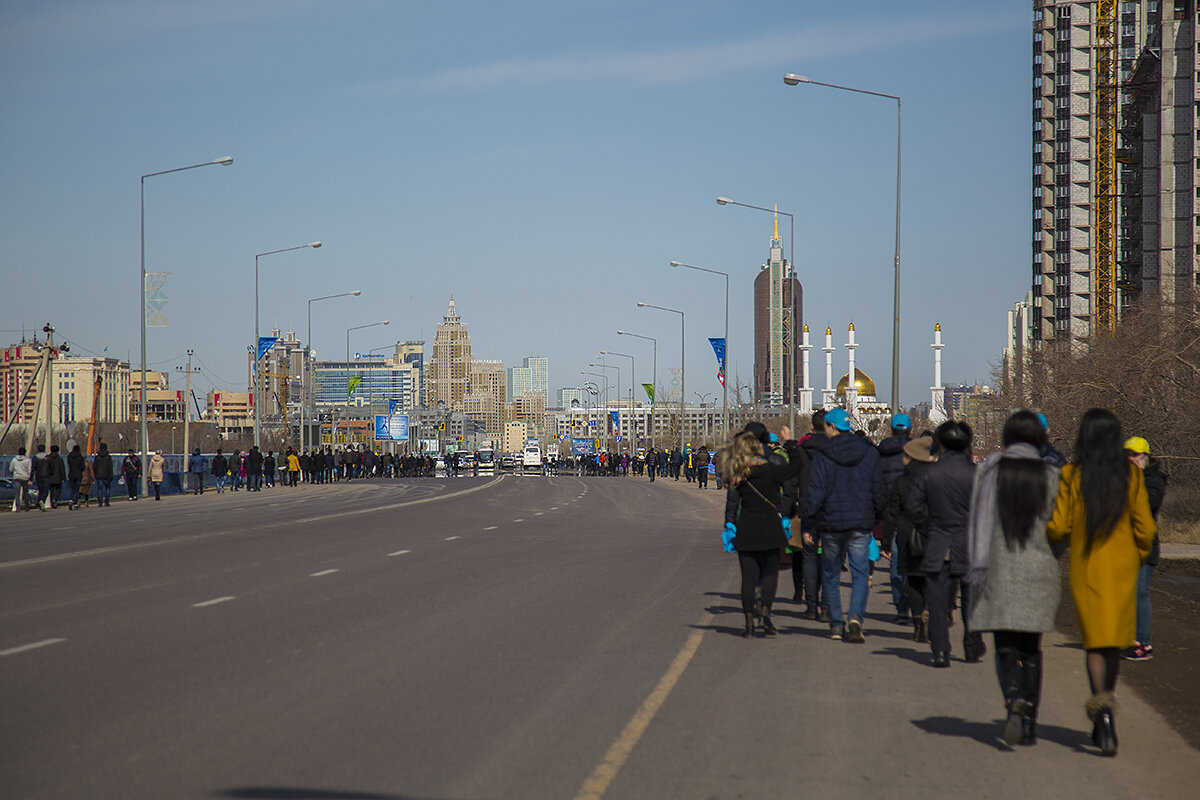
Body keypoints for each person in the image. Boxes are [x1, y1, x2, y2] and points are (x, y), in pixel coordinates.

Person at [1047, 408, 1156, 757]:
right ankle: (1107, 707)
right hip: (1123, 567)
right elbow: (1146, 528)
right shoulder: (1132, 476)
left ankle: (1102, 713)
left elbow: (1059, 527)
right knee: (1114, 642)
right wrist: (1137, 554)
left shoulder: (1071, 475)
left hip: (1088, 566)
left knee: (1095, 642)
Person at [965, 410, 1062, 746]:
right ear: (1040, 438)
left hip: (999, 571)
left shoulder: (988, 472)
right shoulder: (1051, 476)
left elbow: (975, 522)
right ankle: (1031, 720)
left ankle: (1012, 702)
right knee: (1031, 649)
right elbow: (1060, 527)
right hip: (1039, 571)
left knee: (1005, 646)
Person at [805, 407, 885, 643]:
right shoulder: (869, 452)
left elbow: (816, 492)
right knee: (860, 573)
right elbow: (878, 490)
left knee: (830, 574)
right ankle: (855, 618)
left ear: (831, 427)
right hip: (861, 524)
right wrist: (877, 517)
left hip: (831, 523)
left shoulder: (824, 453)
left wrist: (810, 523)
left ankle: (837, 624)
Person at [909, 420, 984, 667]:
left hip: (938, 542)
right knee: (971, 601)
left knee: (938, 602)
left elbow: (913, 507)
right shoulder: (976, 474)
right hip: (969, 544)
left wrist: (929, 527)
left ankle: (940, 651)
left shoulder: (929, 472)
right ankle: (972, 647)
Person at [720, 422, 805, 638]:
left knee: (748, 579)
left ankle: (748, 623)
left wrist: (729, 523)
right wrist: (790, 443)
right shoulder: (771, 470)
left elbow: (732, 502)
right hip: (770, 529)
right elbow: (796, 467)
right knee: (769, 574)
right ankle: (766, 614)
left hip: (746, 530)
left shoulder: (737, 474)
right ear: (759, 447)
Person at [882, 434, 936, 643]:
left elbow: (892, 513)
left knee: (912, 579)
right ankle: (928, 611)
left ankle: (916, 623)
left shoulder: (902, 481)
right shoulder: (936, 478)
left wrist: (886, 540)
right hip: (933, 533)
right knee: (931, 578)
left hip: (907, 535)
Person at [1122, 436, 1167, 662]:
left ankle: (1143, 643)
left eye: (1134, 456)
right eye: (1127, 456)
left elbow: (1149, 503)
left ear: (1145, 457)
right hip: (1124, 545)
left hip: (1145, 546)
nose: (1130, 460)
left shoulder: (1154, 479)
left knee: (1139, 593)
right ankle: (1128, 639)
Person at [877, 413, 913, 624]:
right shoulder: (919, 453)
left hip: (893, 515)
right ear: (910, 431)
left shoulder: (882, 452)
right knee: (917, 562)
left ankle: (901, 610)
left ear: (890, 430)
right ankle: (918, 607)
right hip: (917, 515)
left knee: (896, 564)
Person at [10, 446, 33, 511]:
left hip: (17, 477)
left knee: (17, 492)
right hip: (25, 478)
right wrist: (30, 478)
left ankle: (18, 506)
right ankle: (26, 506)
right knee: (26, 492)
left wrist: (13, 473)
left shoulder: (14, 459)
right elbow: (29, 470)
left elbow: (11, 469)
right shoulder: (28, 460)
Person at [93, 442, 113, 507]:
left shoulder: (97, 457)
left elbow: (94, 467)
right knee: (107, 488)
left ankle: (100, 502)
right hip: (107, 475)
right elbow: (110, 467)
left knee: (100, 489)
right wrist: (111, 475)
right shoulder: (108, 457)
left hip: (99, 475)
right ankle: (106, 501)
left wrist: (95, 475)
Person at [47, 445, 66, 509]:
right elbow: (62, 469)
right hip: (58, 477)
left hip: (49, 477)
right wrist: (63, 477)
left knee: (51, 491)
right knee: (59, 489)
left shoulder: (47, 458)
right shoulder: (59, 459)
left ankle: (52, 502)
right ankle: (55, 499)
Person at [66, 444, 85, 509]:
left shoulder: (69, 456)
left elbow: (69, 464)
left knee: (72, 488)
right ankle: (76, 503)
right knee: (77, 489)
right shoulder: (80, 457)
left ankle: (71, 500)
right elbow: (83, 467)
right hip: (78, 474)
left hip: (71, 474)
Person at [33, 443, 50, 510]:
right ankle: (42, 500)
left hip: (38, 476)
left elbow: (33, 468)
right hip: (46, 476)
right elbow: (51, 467)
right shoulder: (48, 457)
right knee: (46, 491)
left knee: (40, 490)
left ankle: (40, 502)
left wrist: (31, 478)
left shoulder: (35, 458)